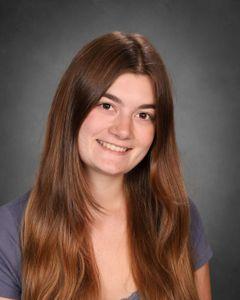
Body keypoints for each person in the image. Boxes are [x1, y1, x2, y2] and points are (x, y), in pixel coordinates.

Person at [0, 31, 213, 300]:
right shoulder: (8, 232)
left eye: (143, 115)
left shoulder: (180, 218)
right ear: (72, 109)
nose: (123, 131)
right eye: (107, 105)